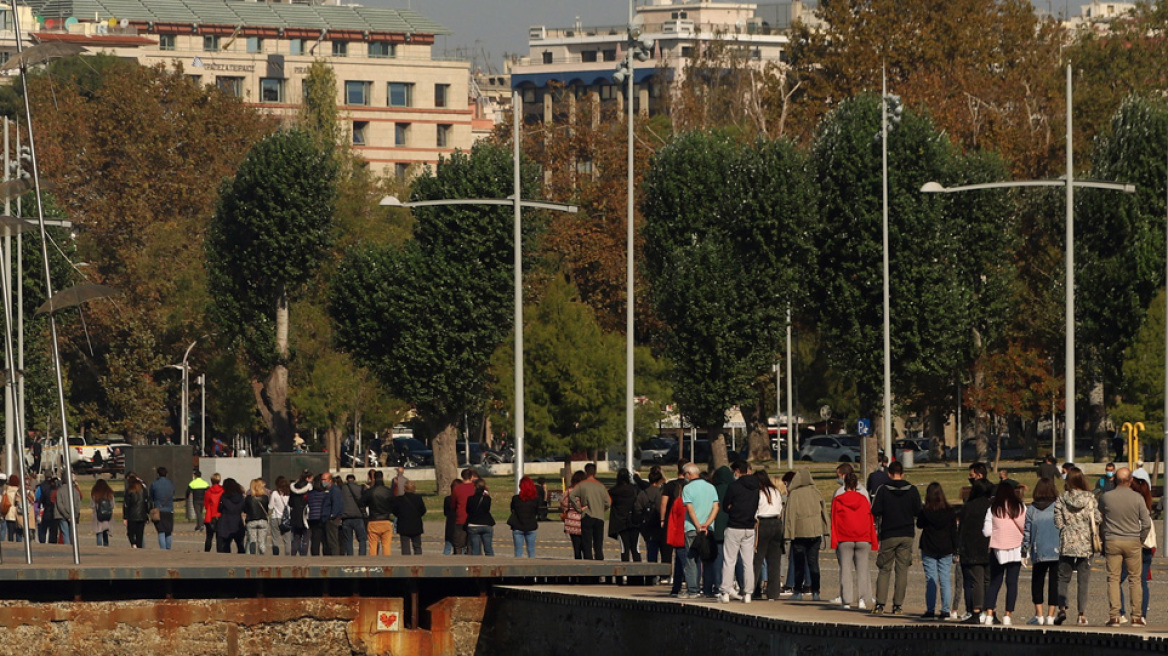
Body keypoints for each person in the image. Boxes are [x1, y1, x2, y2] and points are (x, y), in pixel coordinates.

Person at [1100, 467, 1151, 627]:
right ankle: (1137, 616)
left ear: (1115, 479)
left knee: (1113, 578)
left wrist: (1104, 537)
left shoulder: (1106, 497)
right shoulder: (1137, 498)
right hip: (1133, 540)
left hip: (1113, 540)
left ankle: (1115, 615)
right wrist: (1140, 538)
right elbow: (1147, 522)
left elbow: (1100, 518)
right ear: (1130, 480)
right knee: (1135, 579)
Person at [871, 461, 921, 615]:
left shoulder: (883, 490)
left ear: (889, 474)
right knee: (902, 570)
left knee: (884, 569)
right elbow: (918, 510)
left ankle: (880, 603)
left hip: (888, 533)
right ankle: (898, 605)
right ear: (903, 474)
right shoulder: (912, 490)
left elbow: (875, 510)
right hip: (906, 533)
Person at [1053, 467, 1099, 626]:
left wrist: (1068, 527)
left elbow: (1058, 522)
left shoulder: (1062, 498)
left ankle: (1062, 608)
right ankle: (1081, 614)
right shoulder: (1090, 498)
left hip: (1067, 543)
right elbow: (1097, 518)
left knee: (1063, 579)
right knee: (1083, 581)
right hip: (1086, 545)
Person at [983, 477, 1026, 625]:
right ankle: (1008, 614)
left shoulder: (993, 509)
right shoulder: (1020, 507)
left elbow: (986, 531)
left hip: (998, 548)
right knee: (1012, 583)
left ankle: (989, 613)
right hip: (1016, 548)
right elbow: (1025, 527)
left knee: (995, 582)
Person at [832, 468, 876, 610]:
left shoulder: (838, 499)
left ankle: (846, 600)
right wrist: (872, 538)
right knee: (863, 569)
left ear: (845, 484)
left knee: (845, 569)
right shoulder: (863, 499)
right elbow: (869, 518)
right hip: (863, 536)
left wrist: (835, 539)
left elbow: (834, 520)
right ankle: (863, 598)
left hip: (845, 537)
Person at [719, 460, 759, 604]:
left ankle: (725, 591)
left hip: (734, 526)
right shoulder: (755, 487)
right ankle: (748, 593)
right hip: (749, 527)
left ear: (737, 471)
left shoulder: (733, 486)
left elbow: (725, 505)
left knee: (729, 560)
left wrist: (732, 508)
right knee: (748, 561)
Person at [917, 482, 957, 619]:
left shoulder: (926, 511)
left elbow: (919, 524)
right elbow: (953, 531)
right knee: (945, 578)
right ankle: (945, 609)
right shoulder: (949, 511)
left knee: (931, 579)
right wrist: (956, 548)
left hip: (929, 546)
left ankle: (930, 609)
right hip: (946, 546)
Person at [1024, 478, 1061, 625]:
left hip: (1038, 549)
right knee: (1054, 582)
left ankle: (1039, 614)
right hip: (1057, 549)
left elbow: (1027, 531)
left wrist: (1024, 549)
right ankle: (1051, 615)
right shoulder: (1058, 506)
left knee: (1037, 582)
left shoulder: (1032, 509)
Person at [680, 462, 719, 600]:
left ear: (689, 474)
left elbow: (690, 509)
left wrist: (698, 526)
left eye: (685, 474)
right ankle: (708, 589)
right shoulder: (711, 487)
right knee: (707, 559)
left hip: (692, 528)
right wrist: (707, 524)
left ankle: (693, 590)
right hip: (709, 529)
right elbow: (715, 507)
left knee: (691, 559)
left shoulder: (687, 488)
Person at [1119, 476, 1155, 623]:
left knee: (1117, 579)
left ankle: (1120, 613)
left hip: (1134, 545)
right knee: (1142, 582)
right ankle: (1141, 615)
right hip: (1148, 546)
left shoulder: (1132, 503)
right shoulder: (1146, 504)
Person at [569, 463, 611, 561]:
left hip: (587, 516)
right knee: (598, 544)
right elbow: (608, 502)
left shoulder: (582, 485)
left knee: (587, 544)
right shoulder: (601, 486)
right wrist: (602, 508)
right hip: (599, 517)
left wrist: (578, 508)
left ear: (586, 472)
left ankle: (589, 567)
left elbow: (571, 496)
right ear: (595, 472)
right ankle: (599, 565)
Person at [753, 469, 784, 601]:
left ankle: (753, 590)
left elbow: (755, 510)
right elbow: (780, 508)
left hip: (762, 523)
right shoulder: (776, 491)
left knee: (757, 559)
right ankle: (773, 593)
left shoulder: (757, 492)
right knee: (774, 560)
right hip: (776, 523)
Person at [660, 461, 689, 594]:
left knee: (671, 551)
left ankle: (668, 578)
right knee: (684, 554)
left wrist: (662, 518)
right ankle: (685, 581)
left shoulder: (670, 485)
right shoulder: (690, 485)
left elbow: (664, 504)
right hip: (687, 522)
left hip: (672, 521)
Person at [609, 468, 642, 562]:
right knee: (636, 549)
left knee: (624, 549)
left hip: (620, 522)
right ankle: (637, 574)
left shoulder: (614, 491)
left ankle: (625, 571)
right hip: (635, 521)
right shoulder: (635, 489)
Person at [362, 470, 395, 555]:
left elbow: (361, 503)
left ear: (374, 479)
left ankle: (373, 565)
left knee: (373, 546)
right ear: (383, 478)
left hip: (373, 520)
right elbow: (394, 504)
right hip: (386, 520)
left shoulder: (369, 492)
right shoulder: (388, 491)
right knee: (386, 546)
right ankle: (387, 566)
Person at [636, 470, 665, 563]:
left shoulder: (643, 493)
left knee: (651, 552)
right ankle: (664, 575)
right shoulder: (662, 493)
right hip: (660, 525)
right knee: (664, 553)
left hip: (648, 526)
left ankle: (651, 575)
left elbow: (637, 509)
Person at [393, 480, 427, 555]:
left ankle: (406, 563)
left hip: (403, 524)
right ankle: (418, 564)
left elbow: (395, 511)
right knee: (417, 546)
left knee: (405, 547)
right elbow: (423, 510)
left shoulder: (399, 499)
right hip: (416, 524)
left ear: (404, 488)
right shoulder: (418, 498)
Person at [339, 473, 368, 556]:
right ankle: (362, 556)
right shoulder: (360, 488)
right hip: (358, 516)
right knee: (362, 539)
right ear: (354, 480)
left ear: (346, 480)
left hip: (346, 517)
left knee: (348, 540)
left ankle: (350, 557)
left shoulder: (342, 489)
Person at [216, 478, 246, 554]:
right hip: (237, 521)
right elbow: (244, 508)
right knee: (240, 545)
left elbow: (219, 509)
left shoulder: (224, 497)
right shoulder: (241, 497)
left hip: (225, 521)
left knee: (226, 545)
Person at [465, 479, 495, 556]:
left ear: (475, 487)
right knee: (488, 549)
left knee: (475, 550)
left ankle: (476, 565)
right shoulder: (487, 499)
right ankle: (491, 565)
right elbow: (487, 509)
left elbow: (468, 510)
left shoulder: (470, 498)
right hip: (486, 523)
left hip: (473, 524)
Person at [452, 468, 477, 554]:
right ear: (471, 477)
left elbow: (453, 504)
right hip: (473, 518)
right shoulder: (475, 488)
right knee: (470, 544)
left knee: (458, 544)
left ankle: (458, 561)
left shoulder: (457, 489)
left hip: (461, 518)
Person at [150, 467, 176, 550]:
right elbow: (173, 494)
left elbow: (151, 497)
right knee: (168, 531)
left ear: (158, 474)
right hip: (169, 509)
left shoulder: (154, 484)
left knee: (161, 531)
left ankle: (163, 549)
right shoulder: (171, 484)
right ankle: (168, 548)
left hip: (159, 510)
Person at [562, 471, 586, 560]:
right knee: (586, 547)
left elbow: (564, 504)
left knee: (576, 548)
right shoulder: (586, 490)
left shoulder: (569, 491)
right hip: (584, 520)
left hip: (572, 521)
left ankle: (578, 564)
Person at [244, 478, 270, 555]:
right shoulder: (265, 498)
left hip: (251, 520)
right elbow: (266, 509)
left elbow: (245, 510)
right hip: (262, 520)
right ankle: (262, 554)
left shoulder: (248, 499)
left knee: (252, 540)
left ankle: (252, 556)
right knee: (262, 541)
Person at [320, 472, 344, 555]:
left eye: (324, 479)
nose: (322, 481)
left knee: (332, 541)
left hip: (332, 520)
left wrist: (332, 516)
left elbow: (336, 504)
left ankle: (335, 560)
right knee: (327, 542)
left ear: (330, 480)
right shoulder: (327, 490)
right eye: (322, 479)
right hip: (326, 518)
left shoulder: (334, 490)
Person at [123, 474, 149, 549]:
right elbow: (146, 502)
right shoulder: (143, 490)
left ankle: (133, 544)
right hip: (142, 515)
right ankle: (139, 547)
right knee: (139, 534)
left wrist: (125, 517)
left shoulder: (129, 490)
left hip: (132, 515)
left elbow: (126, 504)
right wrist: (147, 515)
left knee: (130, 532)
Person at [289, 472, 312, 556]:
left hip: (295, 515)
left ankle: (293, 553)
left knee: (296, 536)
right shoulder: (309, 488)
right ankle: (303, 554)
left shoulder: (293, 488)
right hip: (305, 514)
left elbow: (290, 503)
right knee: (306, 537)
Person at [55, 478, 81, 546]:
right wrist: (74, 514)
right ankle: (73, 546)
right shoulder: (75, 491)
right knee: (72, 533)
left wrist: (66, 515)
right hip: (72, 515)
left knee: (65, 533)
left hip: (62, 515)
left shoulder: (59, 491)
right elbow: (78, 505)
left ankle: (67, 548)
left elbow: (59, 504)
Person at [269, 476, 291, 556]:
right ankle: (288, 555)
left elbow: (270, 506)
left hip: (276, 517)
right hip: (287, 519)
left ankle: (276, 555)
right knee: (287, 540)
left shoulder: (275, 493)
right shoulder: (290, 494)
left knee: (275, 539)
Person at [306, 475, 327, 556]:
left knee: (315, 538)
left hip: (312, 517)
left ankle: (315, 554)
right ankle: (325, 554)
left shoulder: (310, 494)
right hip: (322, 517)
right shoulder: (324, 494)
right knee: (324, 538)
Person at [203, 473, 224, 552]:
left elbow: (206, 504)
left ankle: (207, 551)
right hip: (219, 515)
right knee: (219, 536)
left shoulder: (208, 491)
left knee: (209, 536)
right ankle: (219, 551)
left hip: (210, 515)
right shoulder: (223, 491)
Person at [91, 478, 115, 547]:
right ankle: (106, 546)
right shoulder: (109, 493)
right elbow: (112, 505)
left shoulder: (95, 493)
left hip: (98, 516)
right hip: (108, 516)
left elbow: (92, 505)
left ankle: (99, 547)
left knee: (99, 532)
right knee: (105, 533)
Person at [442, 480, 460, 555]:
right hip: (459, 524)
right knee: (460, 546)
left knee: (448, 546)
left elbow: (446, 512)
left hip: (450, 523)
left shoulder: (448, 499)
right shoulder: (461, 500)